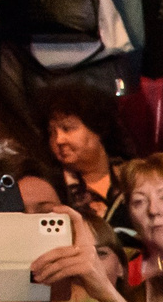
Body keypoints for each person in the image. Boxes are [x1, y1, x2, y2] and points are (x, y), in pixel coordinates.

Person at [39, 89, 126, 223]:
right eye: (52, 132)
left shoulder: (131, 176)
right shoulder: (51, 187)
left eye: (67, 128)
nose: (59, 140)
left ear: (97, 129)